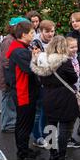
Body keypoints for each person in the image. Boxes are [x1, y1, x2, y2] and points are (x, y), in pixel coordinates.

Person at [30, 36, 80, 160]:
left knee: (50, 127)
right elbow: (74, 79)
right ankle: (62, 155)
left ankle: (53, 154)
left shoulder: (42, 60)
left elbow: (40, 77)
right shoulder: (65, 61)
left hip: (48, 96)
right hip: (65, 97)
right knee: (64, 128)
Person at [6, 21, 41, 160]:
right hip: (23, 93)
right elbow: (29, 69)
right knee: (23, 125)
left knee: (26, 123)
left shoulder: (21, 47)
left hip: (26, 91)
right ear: (24, 34)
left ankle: (24, 150)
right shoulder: (19, 50)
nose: (33, 35)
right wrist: (36, 58)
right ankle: (22, 154)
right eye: (31, 33)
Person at [0, 17, 28, 131]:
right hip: (8, 78)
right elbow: (6, 61)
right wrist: (10, 80)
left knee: (9, 100)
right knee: (8, 99)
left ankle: (10, 122)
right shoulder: (9, 40)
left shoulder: (13, 39)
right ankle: (8, 124)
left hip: (10, 77)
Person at [30, 20, 56, 149]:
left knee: (48, 110)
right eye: (47, 31)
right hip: (39, 82)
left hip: (51, 82)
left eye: (52, 31)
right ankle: (37, 137)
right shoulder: (35, 43)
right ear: (41, 31)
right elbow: (39, 62)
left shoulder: (54, 42)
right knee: (38, 110)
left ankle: (47, 135)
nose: (50, 34)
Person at [65, 36, 80, 149]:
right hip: (69, 92)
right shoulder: (64, 60)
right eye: (71, 47)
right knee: (69, 117)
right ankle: (66, 139)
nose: (74, 49)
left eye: (76, 46)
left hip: (77, 90)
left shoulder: (77, 57)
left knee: (74, 115)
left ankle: (67, 137)